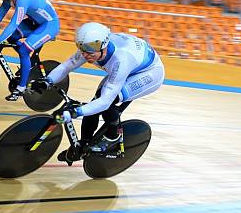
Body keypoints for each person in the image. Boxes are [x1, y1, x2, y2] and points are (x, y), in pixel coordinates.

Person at [33, 22, 164, 160]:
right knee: (94, 103)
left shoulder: (121, 59)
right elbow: (66, 67)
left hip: (150, 73)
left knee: (107, 102)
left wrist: (76, 112)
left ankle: (113, 137)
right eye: (81, 48)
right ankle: (84, 145)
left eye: (90, 50)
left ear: (104, 45)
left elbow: (105, 102)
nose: (86, 54)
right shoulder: (90, 46)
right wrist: (47, 81)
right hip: (133, 65)